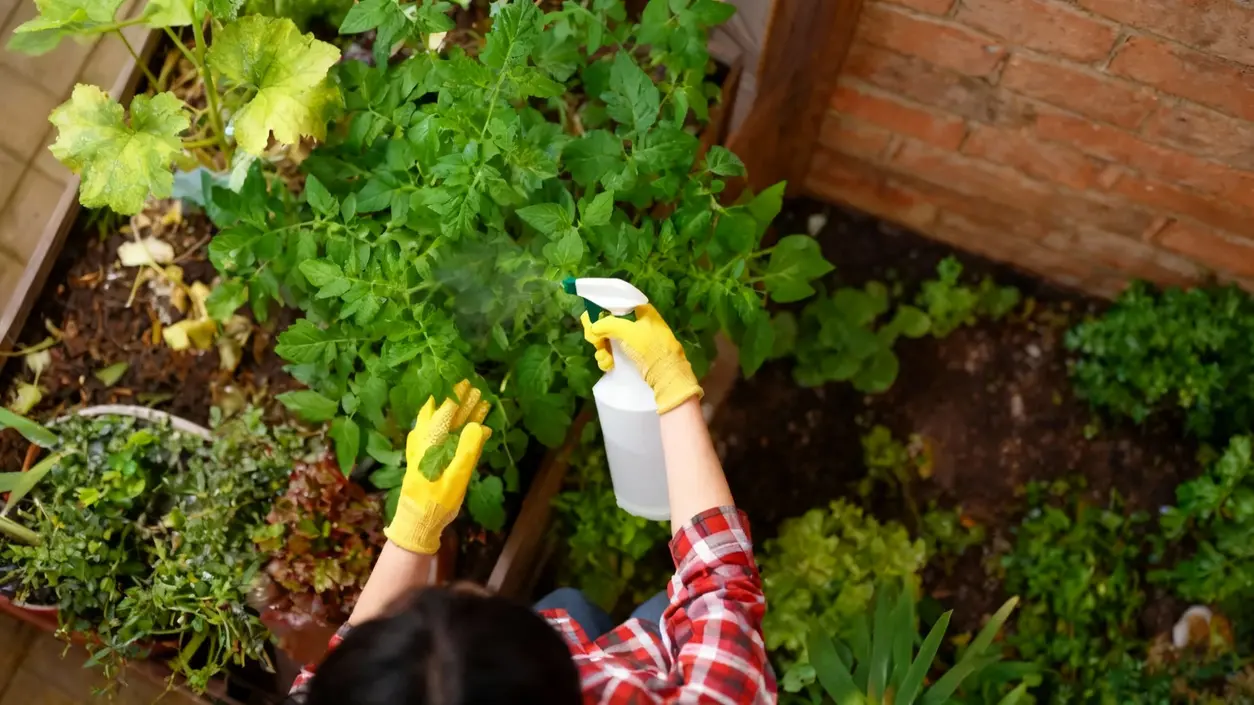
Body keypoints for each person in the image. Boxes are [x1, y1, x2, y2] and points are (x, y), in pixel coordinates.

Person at [290, 304, 774, 704]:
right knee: (670, 611)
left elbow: (346, 659)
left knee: (568, 606)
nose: (463, 585)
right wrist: (672, 387)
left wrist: (412, 533)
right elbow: (722, 590)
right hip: (643, 665)